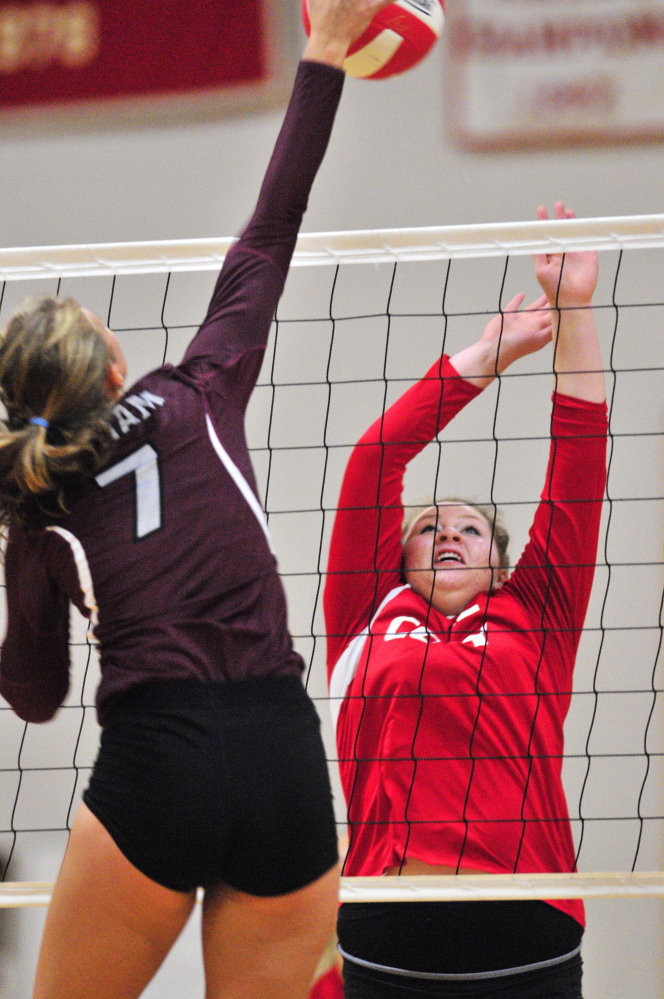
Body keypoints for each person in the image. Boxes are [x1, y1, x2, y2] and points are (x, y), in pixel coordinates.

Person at [0, 4, 394, 997]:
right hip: (280, 756)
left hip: (157, 761)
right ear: (115, 365)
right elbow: (273, 227)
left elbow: (36, 699)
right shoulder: (197, 390)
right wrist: (317, 60)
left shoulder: (38, 511)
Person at [325, 205, 607, 999]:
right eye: (428, 528)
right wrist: (485, 357)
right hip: (390, 929)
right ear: (399, 555)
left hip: (526, 927)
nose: (448, 535)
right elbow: (375, 459)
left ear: (503, 561)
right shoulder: (367, 618)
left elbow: (580, 456)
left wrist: (574, 309)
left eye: (472, 529)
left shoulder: (536, 613)